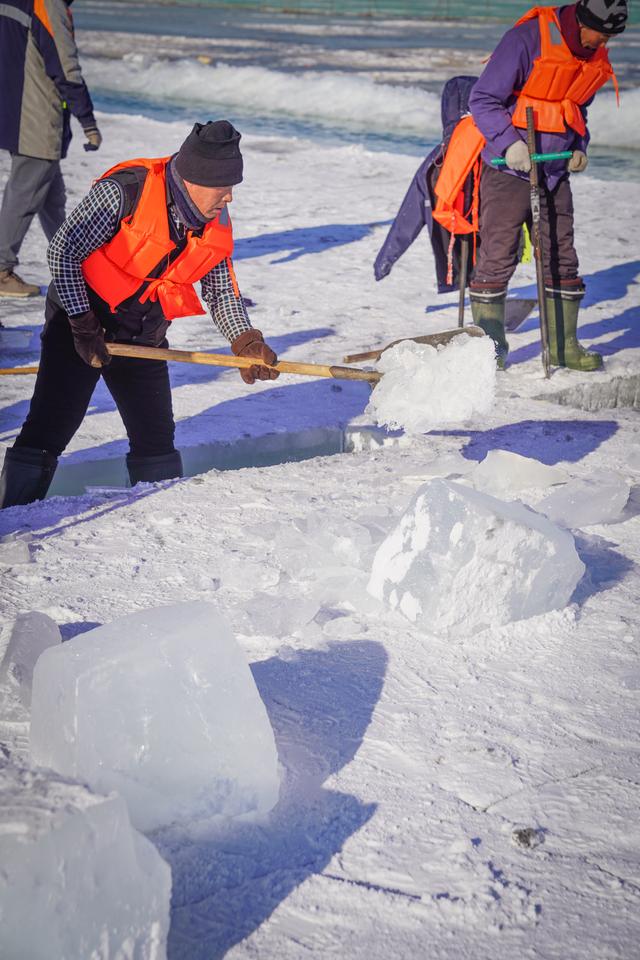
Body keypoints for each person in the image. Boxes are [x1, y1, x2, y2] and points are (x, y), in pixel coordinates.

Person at [0, 119, 280, 508]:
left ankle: (155, 521)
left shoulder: (212, 218)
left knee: (155, 439)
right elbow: (62, 251)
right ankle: (12, 520)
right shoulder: (126, 191)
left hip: (142, 333)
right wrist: (82, 325)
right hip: (82, 322)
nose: (229, 198)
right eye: (223, 187)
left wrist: (246, 342)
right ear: (193, 180)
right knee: (50, 429)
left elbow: (219, 290)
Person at [467, 0, 627, 369]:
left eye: (609, 37)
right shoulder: (526, 39)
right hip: (507, 170)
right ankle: (489, 352)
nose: (601, 42)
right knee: (498, 256)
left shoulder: (594, 51)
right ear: (581, 22)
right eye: (599, 34)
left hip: (555, 171)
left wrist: (579, 148)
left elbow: (577, 107)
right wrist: (510, 144)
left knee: (562, 256)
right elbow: (483, 99)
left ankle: (562, 347)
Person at [0, 0, 100, 298]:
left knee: (50, 196)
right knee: (27, 190)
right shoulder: (46, 3)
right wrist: (88, 120)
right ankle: (1, 269)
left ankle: (71, 262)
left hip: (12, 106)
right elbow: (65, 63)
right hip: (35, 114)